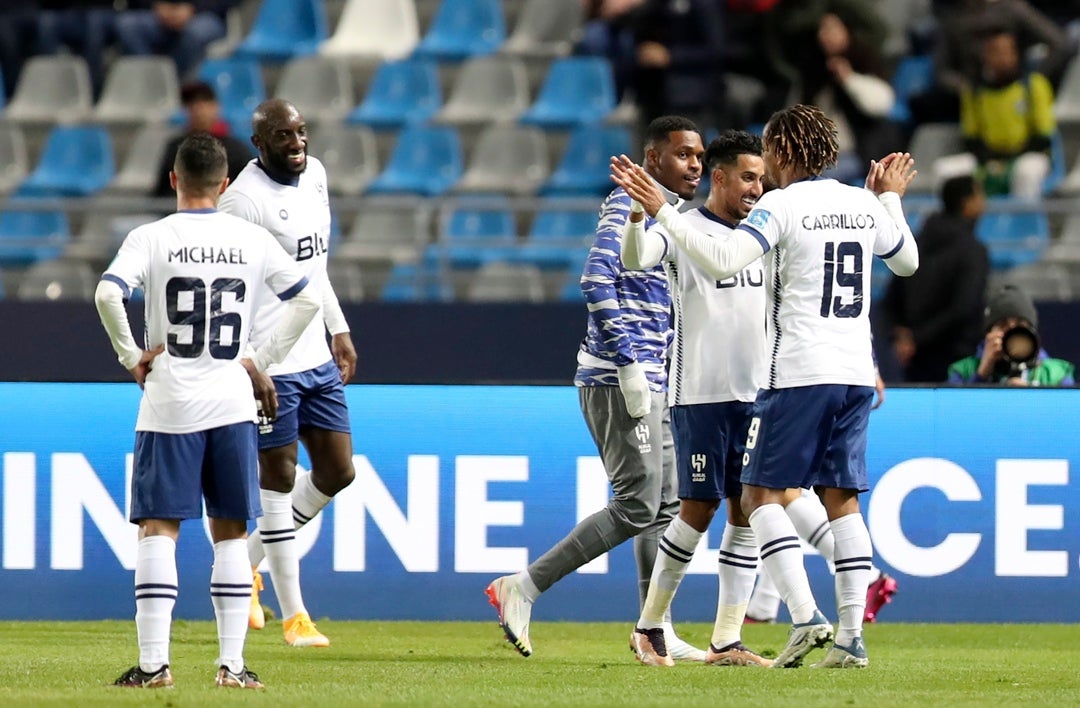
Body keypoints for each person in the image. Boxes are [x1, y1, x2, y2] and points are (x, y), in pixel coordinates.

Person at [612, 103, 920, 669]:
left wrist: (663, 210)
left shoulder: (778, 209)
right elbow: (906, 261)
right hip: (835, 373)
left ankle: (792, 621)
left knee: (755, 500)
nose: (760, 176)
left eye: (766, 159)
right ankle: (845, 636)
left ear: (780, 151)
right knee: (834, 500)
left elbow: (726, 260)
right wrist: (889, 198)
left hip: (794, 374)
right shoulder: (858, 201)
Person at [95, 132, 321, 689]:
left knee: (157, 528)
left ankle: (153, 666)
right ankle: (232, 666)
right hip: (231, 398)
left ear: (173, 179)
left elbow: (108, 293)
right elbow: (308, 298)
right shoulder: (251, 238)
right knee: (229, 532)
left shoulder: (151, 236)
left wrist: (131, 357)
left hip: (169, 399)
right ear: (223, 185)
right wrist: (257, 359)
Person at [485, 115, 705, 661]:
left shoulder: (671, 215)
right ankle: (524, 586)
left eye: (699, 155)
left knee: (666, 507)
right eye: (682, 154)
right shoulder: (623, 205)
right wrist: (629, 363)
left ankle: (655, 628)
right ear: (653, 159)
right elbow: (595, 278)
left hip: (658, 380)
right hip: (617, 377)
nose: (695, 164)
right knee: (636, 505)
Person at [619, 129, 771, 667]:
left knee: (748, 509)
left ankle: (726, 639)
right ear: (720, 177)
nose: (757, 188)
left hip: (756, 392)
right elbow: (636, 259)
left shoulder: (764, 233)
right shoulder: (682, 224)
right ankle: (648, 626)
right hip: (701, 392)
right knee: (698, 509)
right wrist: (642, 213)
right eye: (748, 177)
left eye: (762, 178)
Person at [218, 99, 357, 648]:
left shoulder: (316, 175)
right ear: (259, 144)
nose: (297, 143)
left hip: (315, 354)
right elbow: (227, 290)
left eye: (302, 131)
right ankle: (296, 617)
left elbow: (313, 267)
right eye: (283, 136)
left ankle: (246, 570)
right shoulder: (241, 203)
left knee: (338, 472)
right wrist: (250, 364)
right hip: (268, 362)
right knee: (276, 481)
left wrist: (337, 326)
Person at [884, 175, 989, 383]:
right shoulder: (973, 250)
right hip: (958, 359)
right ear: (966, 203)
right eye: (980, 196)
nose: (984, 203)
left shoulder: (917, 242)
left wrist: (907, 338)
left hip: (916, 360)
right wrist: (917, 337)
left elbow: (892, 297)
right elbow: (964, 308)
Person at [933, 27, 1056, 200]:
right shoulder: (974, 91)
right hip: (988, 159)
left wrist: (1007, 162)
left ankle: (1024, 224)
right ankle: (955, 225)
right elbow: (971, 137)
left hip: (1027, 155)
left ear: (1016, 55)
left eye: (1007, 52)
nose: (1002, 58)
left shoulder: (1033, 85)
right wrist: (990, 161)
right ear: (985, 57)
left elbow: (1043, 136)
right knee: (945, 170)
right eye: (994, 52)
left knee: (1026, 172)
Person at [947, 283, 1075, 386]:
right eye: (1003, 325)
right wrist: (981, 375)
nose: (1012, 333)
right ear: (989, 334)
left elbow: (1068, 416)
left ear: (1032, 331)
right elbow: (954, 415)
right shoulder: (963, 371)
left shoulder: (1057, 374)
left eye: (1020, 324)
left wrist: (1032, 399)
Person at [154, 81, 254, 198]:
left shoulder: (236, 150)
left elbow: (248, 190)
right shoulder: (175, 147)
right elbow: (163, 192)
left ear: (216, 106)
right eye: (192, 103)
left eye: (204, 102)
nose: (198, 109)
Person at [115, 1, 237, 79]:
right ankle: (149, 82)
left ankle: (178, 85)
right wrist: (158, 5)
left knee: (196, 32)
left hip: (206, 15)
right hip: (160, 14)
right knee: (128, 25)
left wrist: (192, 7)